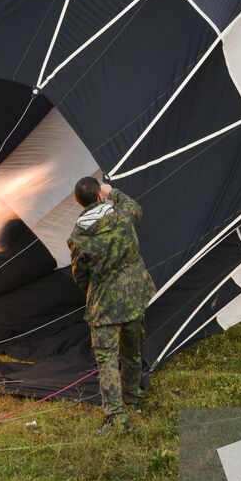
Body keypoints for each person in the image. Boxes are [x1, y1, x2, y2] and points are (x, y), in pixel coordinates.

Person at [67, 177, 155, 434]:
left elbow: (80, 277)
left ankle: (116, 417)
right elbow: (136, 208)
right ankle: (133, 399)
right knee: (132, 351)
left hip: (104, 304)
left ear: (77, 202)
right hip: (134, 295)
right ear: (99, 196)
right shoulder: (122, 214)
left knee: (106, 361)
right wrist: (111, 190)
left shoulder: (78, 236)